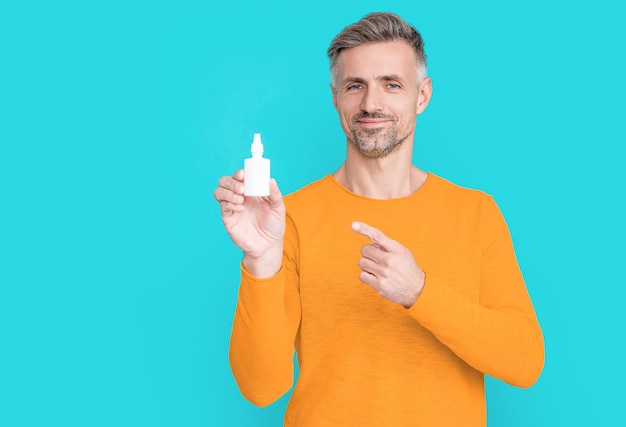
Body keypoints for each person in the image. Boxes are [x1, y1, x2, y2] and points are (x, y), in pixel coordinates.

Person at [214, 12, 544, 426]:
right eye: (356, 86)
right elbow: (261, 388)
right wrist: (260, 261)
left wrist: (419, 292)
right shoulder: (290, 218)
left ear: (421, 96)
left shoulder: (475, 213)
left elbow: (525, 362)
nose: (371, 104)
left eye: (392, 84)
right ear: (335, 96)